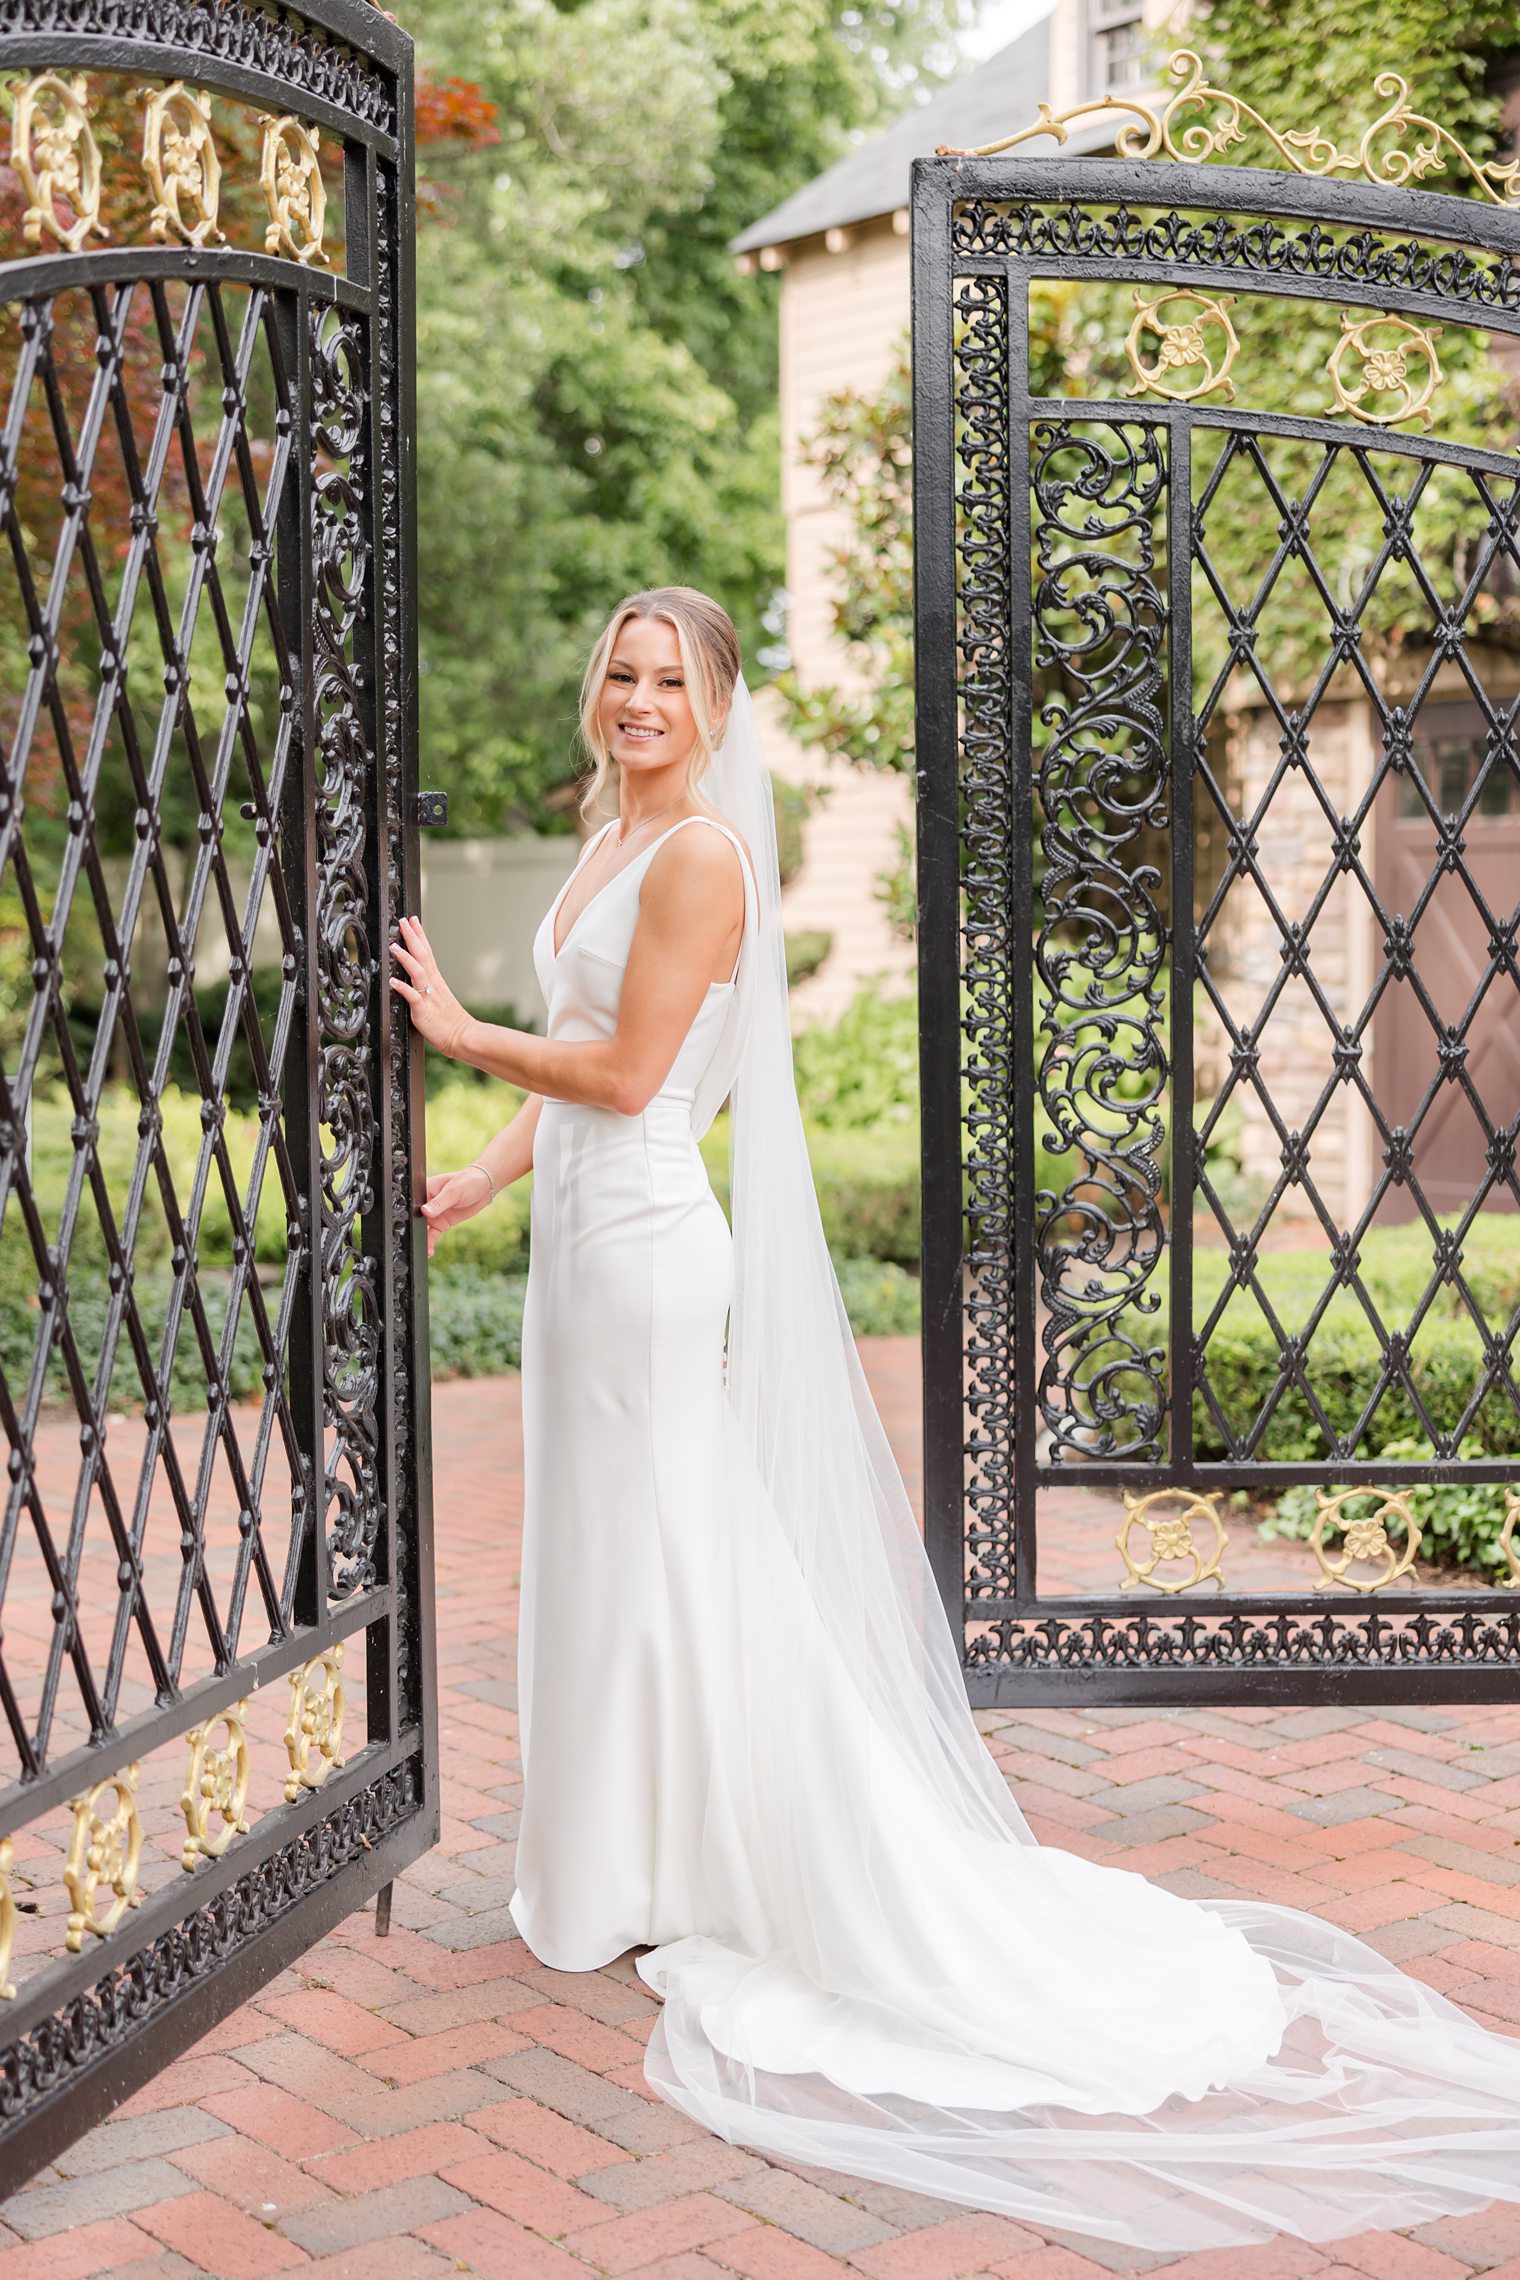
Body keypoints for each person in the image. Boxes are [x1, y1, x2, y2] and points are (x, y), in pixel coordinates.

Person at [389, 587, 1520, 2254]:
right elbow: (593, 1051)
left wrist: (454, 1035)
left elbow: (634, 1085)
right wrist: (478, 1174)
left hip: (642, 1256)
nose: (637, 699)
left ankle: (691, 1861)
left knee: (672, 1554)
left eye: (669, 679)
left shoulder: (700, 852)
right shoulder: (604, 829)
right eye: (620, 673)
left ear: (717, 706)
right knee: (617, 1552)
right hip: (576, 1245)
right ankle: (630, 1856)